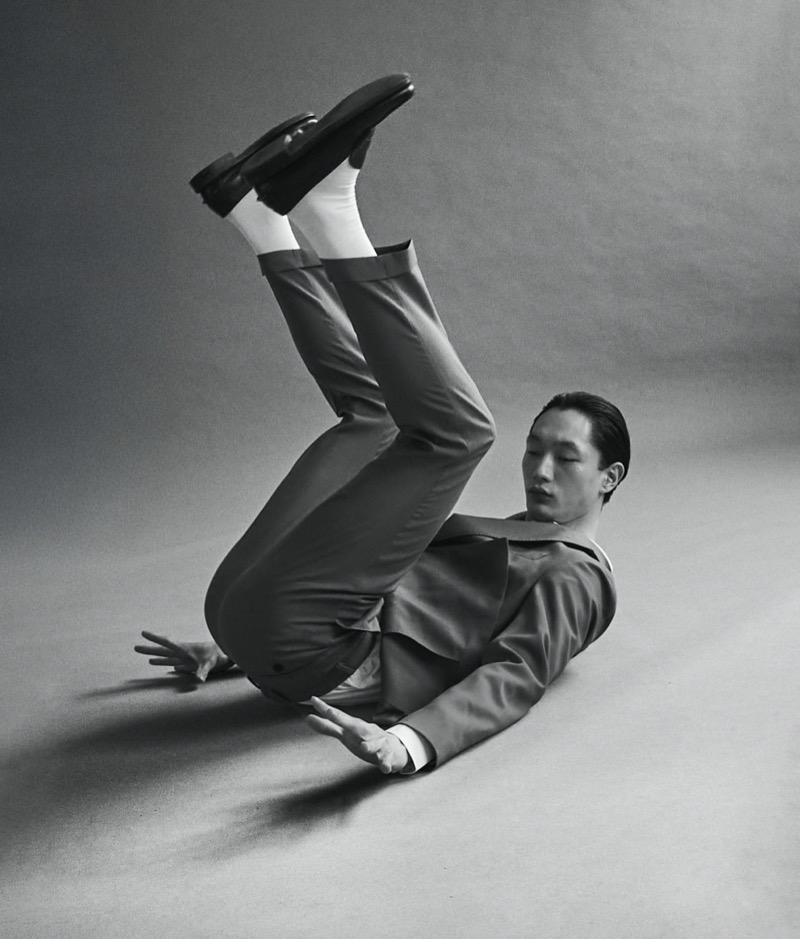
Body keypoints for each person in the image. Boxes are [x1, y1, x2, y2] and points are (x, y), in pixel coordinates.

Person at [135, 74, 630, 776]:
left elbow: (517, 673)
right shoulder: (511, 534)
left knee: (460, 434)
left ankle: (331, 214)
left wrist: (408, 742)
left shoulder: (579, 576)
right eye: (535, 449)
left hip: (309, 645)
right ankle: (260, 219)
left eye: (567, 457)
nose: (540, 469)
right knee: (375, 416)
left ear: (610, 476)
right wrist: (234, 650)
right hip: (251, 615)